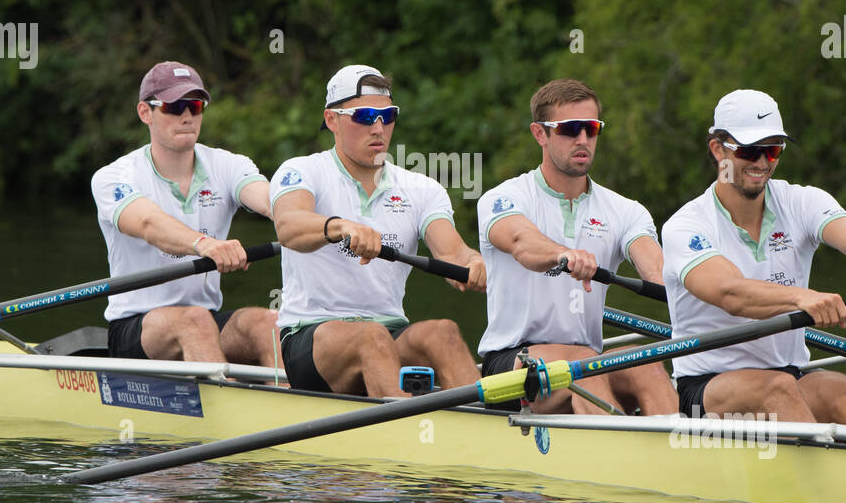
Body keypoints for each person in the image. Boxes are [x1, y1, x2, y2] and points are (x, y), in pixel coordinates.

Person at [661, 89, 846, 427]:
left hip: (788, 376)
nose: (763, 163)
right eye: (750, 150)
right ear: (718, 149)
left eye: (773, 149)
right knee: (776, 389)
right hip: (707, 388)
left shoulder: (800, 202)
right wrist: (800, 297)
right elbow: (729, 293)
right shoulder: (686, 225)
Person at [270, 64, 486, 397]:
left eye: (388, 116)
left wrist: (474, 263)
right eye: (365, 116)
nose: (379, 127)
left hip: (390, 332)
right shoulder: (302, 171)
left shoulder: (421, 188)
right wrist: (338, 226)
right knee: (370, 337)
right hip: (311, 338)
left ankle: (481, 432)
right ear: (332, 120)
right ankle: (407, 435)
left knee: (442, 332)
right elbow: (288, 226)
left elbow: (453, 252)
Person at [477, 79, 677, 415]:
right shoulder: (503, 199)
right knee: (586, 366)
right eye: (571, 129)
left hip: (583, 358)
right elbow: (521, 242)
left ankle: (678, 456)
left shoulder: (625, 210)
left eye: (591, 128)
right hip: (511, 363)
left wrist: (698, 295)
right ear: (540, 134)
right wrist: (562, 254)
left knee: (647, 364)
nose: (583, 139)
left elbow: (656, 271)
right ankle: (618, 457)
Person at [90, 61, 279, 368]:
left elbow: (271, 200)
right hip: (135, 329)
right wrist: (205, 244)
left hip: (205, 319)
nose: (187, 116)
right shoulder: (113, 177)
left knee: (270, 324)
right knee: (194, 321)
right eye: (174, 106)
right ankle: (229, 408)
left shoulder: (228, 165)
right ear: (145, 112)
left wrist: (320, 222)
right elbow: (149, 224)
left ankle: (294, 406)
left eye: (195, 105)